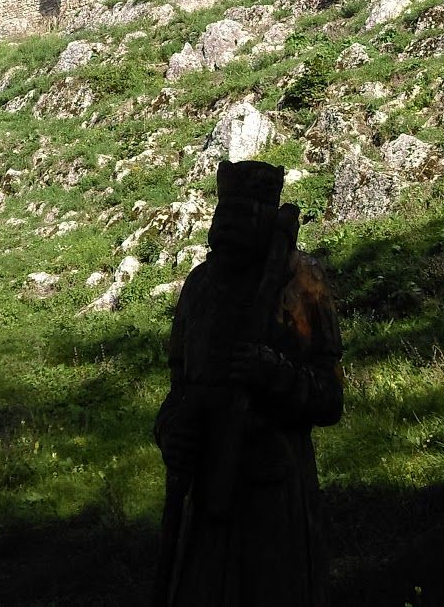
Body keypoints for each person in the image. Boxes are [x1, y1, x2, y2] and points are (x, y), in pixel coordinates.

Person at [153, 160, 343, 606]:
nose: (233, 224)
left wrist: (275, 375)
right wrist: (170, 431)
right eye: (228, 211)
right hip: (206, 506)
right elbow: (179, 386)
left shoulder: (304, 283)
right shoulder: (200, 286)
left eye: (247, 211)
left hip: (276, 509)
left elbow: (330, 398)